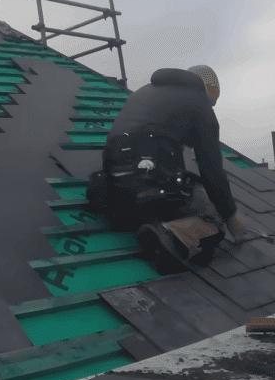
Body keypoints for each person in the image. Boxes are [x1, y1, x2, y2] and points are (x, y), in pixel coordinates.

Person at [99, 65, 247, 269]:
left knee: (174, 184)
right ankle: (168, 234)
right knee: (211, 213)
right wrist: (230, 214)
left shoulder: (145, 91)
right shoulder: (200, 102)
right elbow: (211, 170)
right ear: (209, 91)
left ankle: (140, 216)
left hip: (114, 187)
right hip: (148, 185)